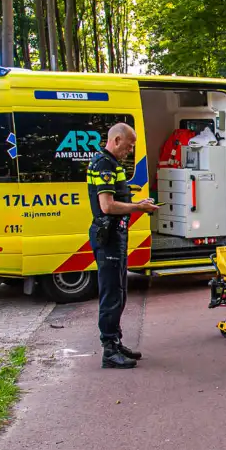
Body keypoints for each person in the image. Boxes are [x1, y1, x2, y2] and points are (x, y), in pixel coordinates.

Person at [87, 123, 159, 369]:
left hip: (115, 235)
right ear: (116, 140)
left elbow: (117, 200)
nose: (129, 152)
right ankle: (109, 349)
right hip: (108, 236)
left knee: (119, 291)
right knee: (111, 294)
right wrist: (139, 207)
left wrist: (137, 202)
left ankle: (115, 342)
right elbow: (107, 206)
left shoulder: (108, 162)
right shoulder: (104, 164)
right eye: (128, 147)